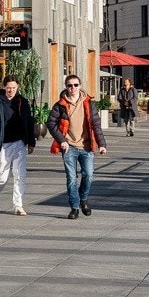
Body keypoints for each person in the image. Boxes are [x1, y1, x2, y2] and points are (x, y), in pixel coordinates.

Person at [46, 74, 106, 218]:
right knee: (71, 178)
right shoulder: (60, 105)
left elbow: (96, 125)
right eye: (69, 85)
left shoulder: (88, 103)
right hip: (69, 147)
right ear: (66, 87)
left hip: (86, 146)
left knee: (89, 175)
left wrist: (102, 144)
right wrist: (62, 140)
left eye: (75, 85)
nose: (72, 88)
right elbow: (51, 123)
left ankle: (83, 199)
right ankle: (74, 207)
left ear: (80, 86)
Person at [0, 75, 35, 216]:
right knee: (3, 176)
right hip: (3, 144)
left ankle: (18, 205)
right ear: (4, 87)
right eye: (8, 88)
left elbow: (29, 122)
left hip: (19, 141)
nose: (11, 91)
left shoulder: (22, 102)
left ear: (17, 87)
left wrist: (31, 142)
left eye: (13, 88)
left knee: (20, 175)